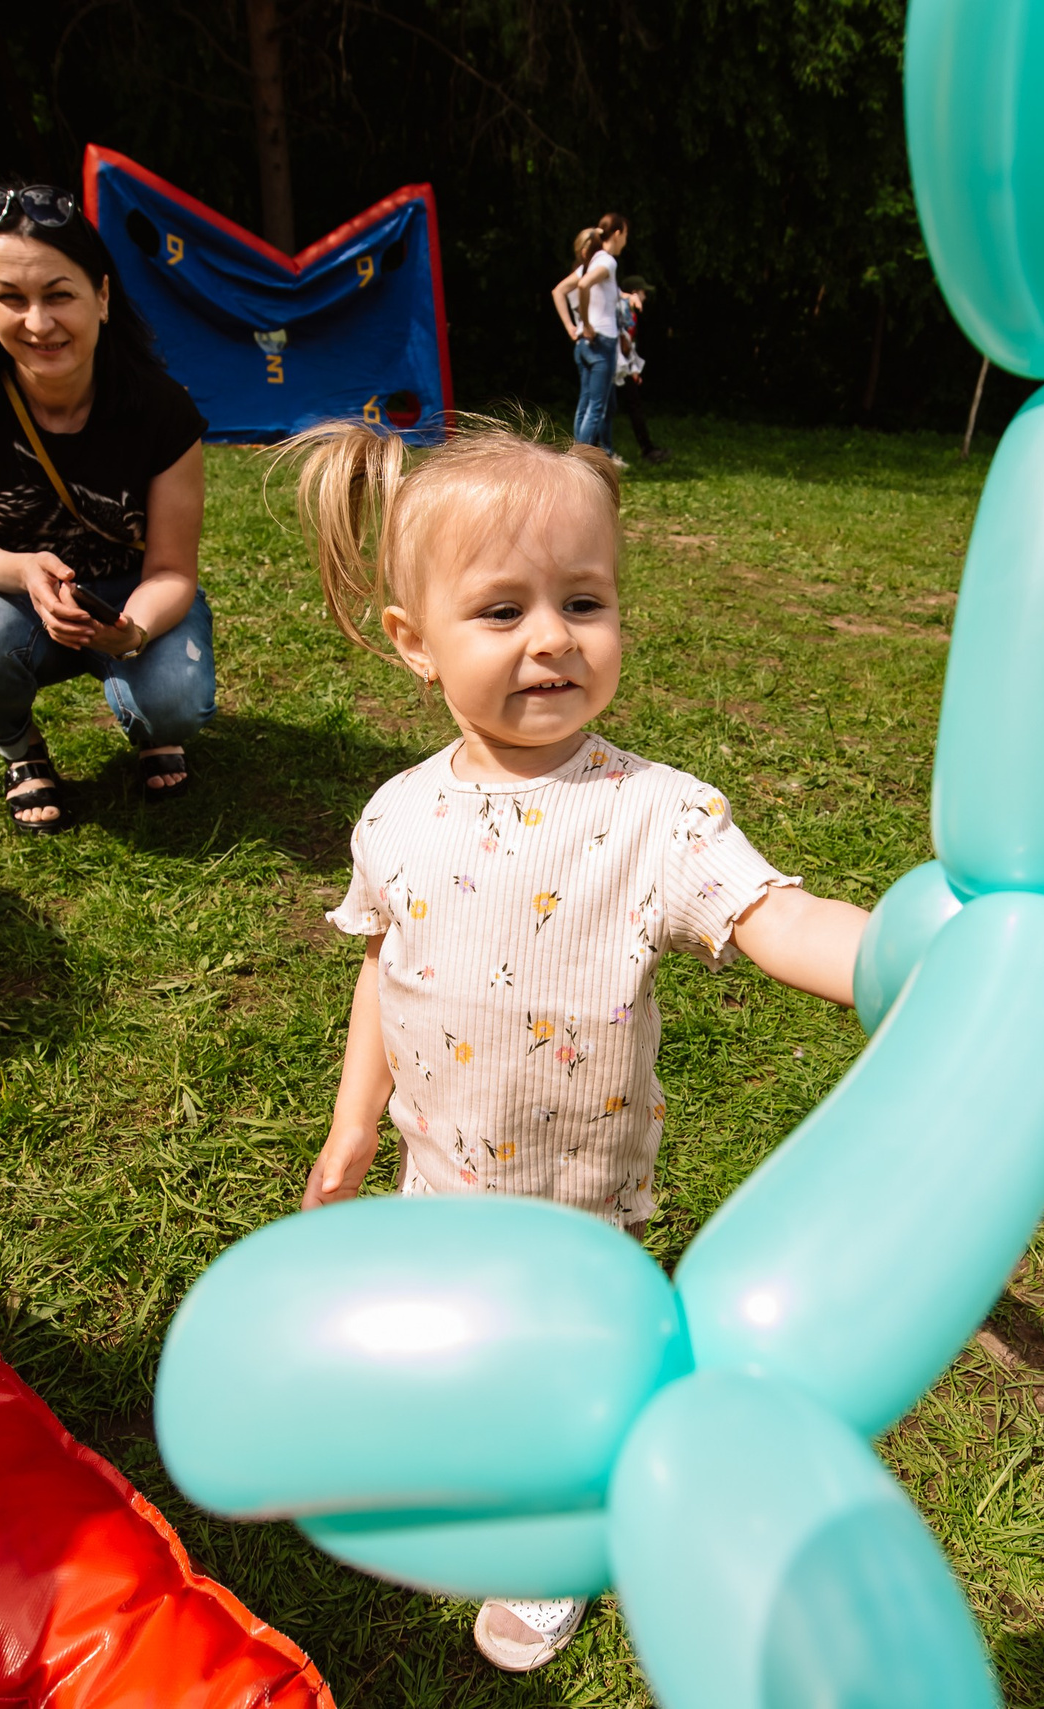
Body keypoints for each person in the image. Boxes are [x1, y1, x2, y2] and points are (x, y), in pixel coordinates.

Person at [281, 415, 870, 1673]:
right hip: (437, 1170)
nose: (551, 636)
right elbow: (386, 971)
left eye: (583, 599)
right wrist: (347, 1127)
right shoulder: (394, 813)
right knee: (451, 1340)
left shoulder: (653, 813)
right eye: (501, 610)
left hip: (575, 1198)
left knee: (566, 1384)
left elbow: (774, 917)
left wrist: (900, 964)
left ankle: (553, 1537)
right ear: (412, 641)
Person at [0, 182, 216, 829]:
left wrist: (130, 630)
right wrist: (23, 569)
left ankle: (154, 722)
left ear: (101, 296)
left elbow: (172, 570)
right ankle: (19, 748)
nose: (38, 323)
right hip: (5, 595)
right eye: (10, 299)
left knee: (176, 699)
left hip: (131, 595)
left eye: (59, 295)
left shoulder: (161, 407)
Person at [551, 213, 628, 463]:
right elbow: (583, 286)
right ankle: (578, 465)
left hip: (583, 346)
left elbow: (558, 291)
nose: (626, 241)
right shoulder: (607, 261)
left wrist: (572, 327)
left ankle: (575, 460)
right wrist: (586, 325)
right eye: (626, 235)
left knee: (585, 406)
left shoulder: (591, 262)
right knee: (596, 408)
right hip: (600, 341)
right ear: (617, 234)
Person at [611, 274, 669, 463]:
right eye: (643, 291)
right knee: (606, 408)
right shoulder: (623, 310)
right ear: (635, 292)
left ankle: (647, 448)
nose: (645, 295)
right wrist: (631, 368)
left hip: (623, 366)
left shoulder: (628, 311)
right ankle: (646, 449)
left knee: (623, 405)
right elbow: (624, 343)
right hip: (617, 366)